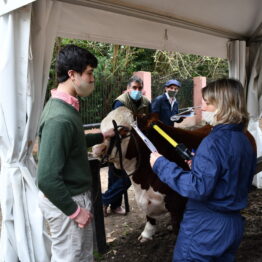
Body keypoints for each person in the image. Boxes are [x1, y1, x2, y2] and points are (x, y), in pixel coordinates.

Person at [150, 78, 257, 261]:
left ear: (223, 106)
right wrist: (199, 164)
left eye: (207, 103)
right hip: (232, 225)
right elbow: (231, 175)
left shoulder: (213, 142)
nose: (203, 108)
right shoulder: (244, 140)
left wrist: (162, 165)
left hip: (206, 227)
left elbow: (197, 188)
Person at [37, 44, 114, 262]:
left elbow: (74, 142)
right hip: (68, 200)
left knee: (81, 256)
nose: (92, 79)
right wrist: (75, 211)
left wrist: (102, 135)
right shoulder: (59, 118)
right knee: (71, 258)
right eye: (89, 73)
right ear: (72, 74)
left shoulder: (66, 108)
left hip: (73, 197)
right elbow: (46, 179)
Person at [102, 75, 151, 216]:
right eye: (134, 88)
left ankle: (110, 203)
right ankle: (109, 202)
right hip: (118, 145)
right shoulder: (120, 102)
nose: (137, 90)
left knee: (126, 178)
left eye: (140, 88)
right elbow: (116, 125)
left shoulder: (146, 102)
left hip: (136, 146)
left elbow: (148, 120)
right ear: (128, 89)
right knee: (115, 176)